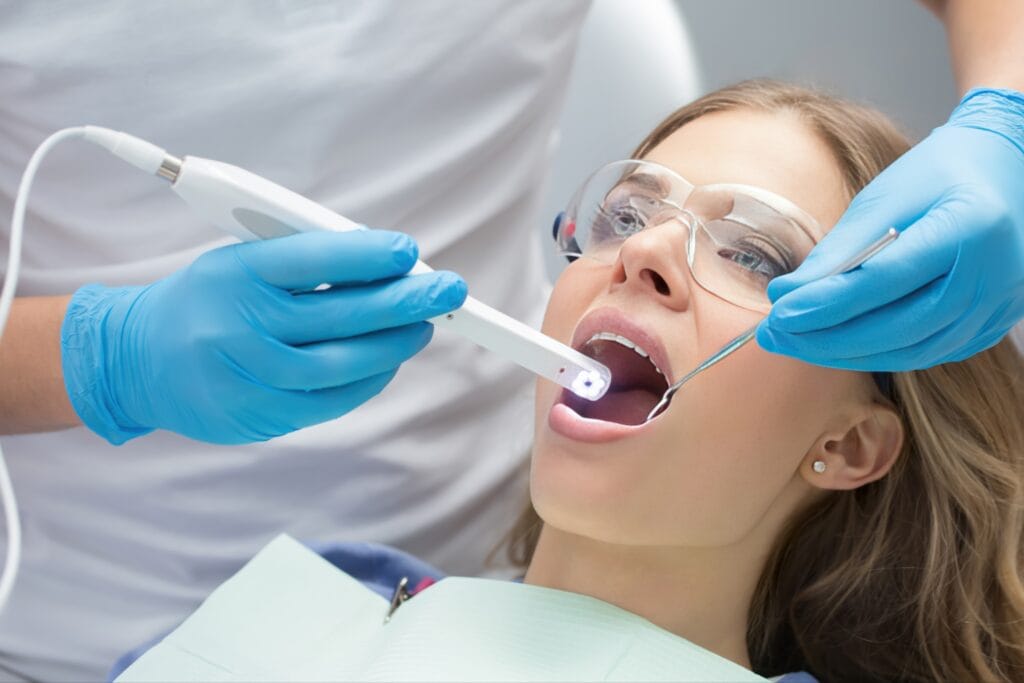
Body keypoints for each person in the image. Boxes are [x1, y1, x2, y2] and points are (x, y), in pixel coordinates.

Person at [0, 1, 1022, 680]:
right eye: (626, 213)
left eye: (751, 252)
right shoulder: (294, 612)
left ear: (850, 443)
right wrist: (103, 357)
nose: (645, 251)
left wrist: (1011, 115)